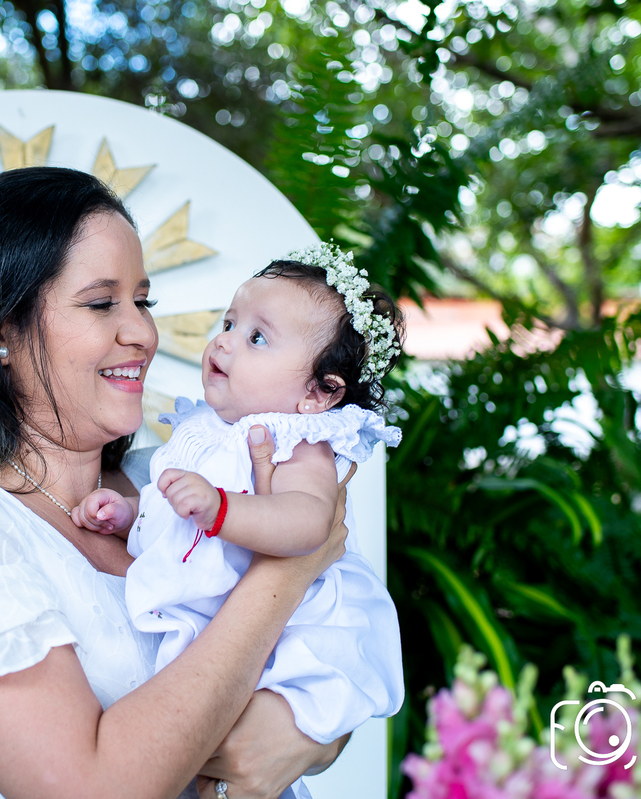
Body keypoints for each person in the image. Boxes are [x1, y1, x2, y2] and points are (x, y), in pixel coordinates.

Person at [0, 166, 375, 799]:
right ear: (1, 331)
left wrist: (313, 735)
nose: (141, 333)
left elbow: (327, 639)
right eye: (100, 303)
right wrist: (284, 571)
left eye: (143, 301)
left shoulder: (167, 481)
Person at [72, 245, 407, 798]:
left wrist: (224, 507)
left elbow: (308, 524)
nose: (224, 341)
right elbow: (172, 516)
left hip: (293, 631)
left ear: (318, 393)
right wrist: (131, 514)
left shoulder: (301, 444)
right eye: (229, 323)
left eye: (257, 337)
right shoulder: (202, 430)